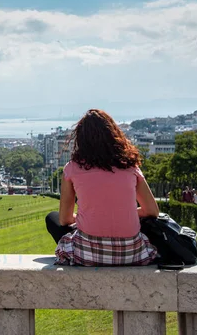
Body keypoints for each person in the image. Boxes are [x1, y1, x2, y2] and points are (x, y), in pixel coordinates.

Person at [45, 109, 159, 266]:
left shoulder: (72, 168)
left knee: (52, 218)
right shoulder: (130, 166)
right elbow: (152, 211)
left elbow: (64, 219)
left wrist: (89, 216)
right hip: (132, 254)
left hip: (87, 255)